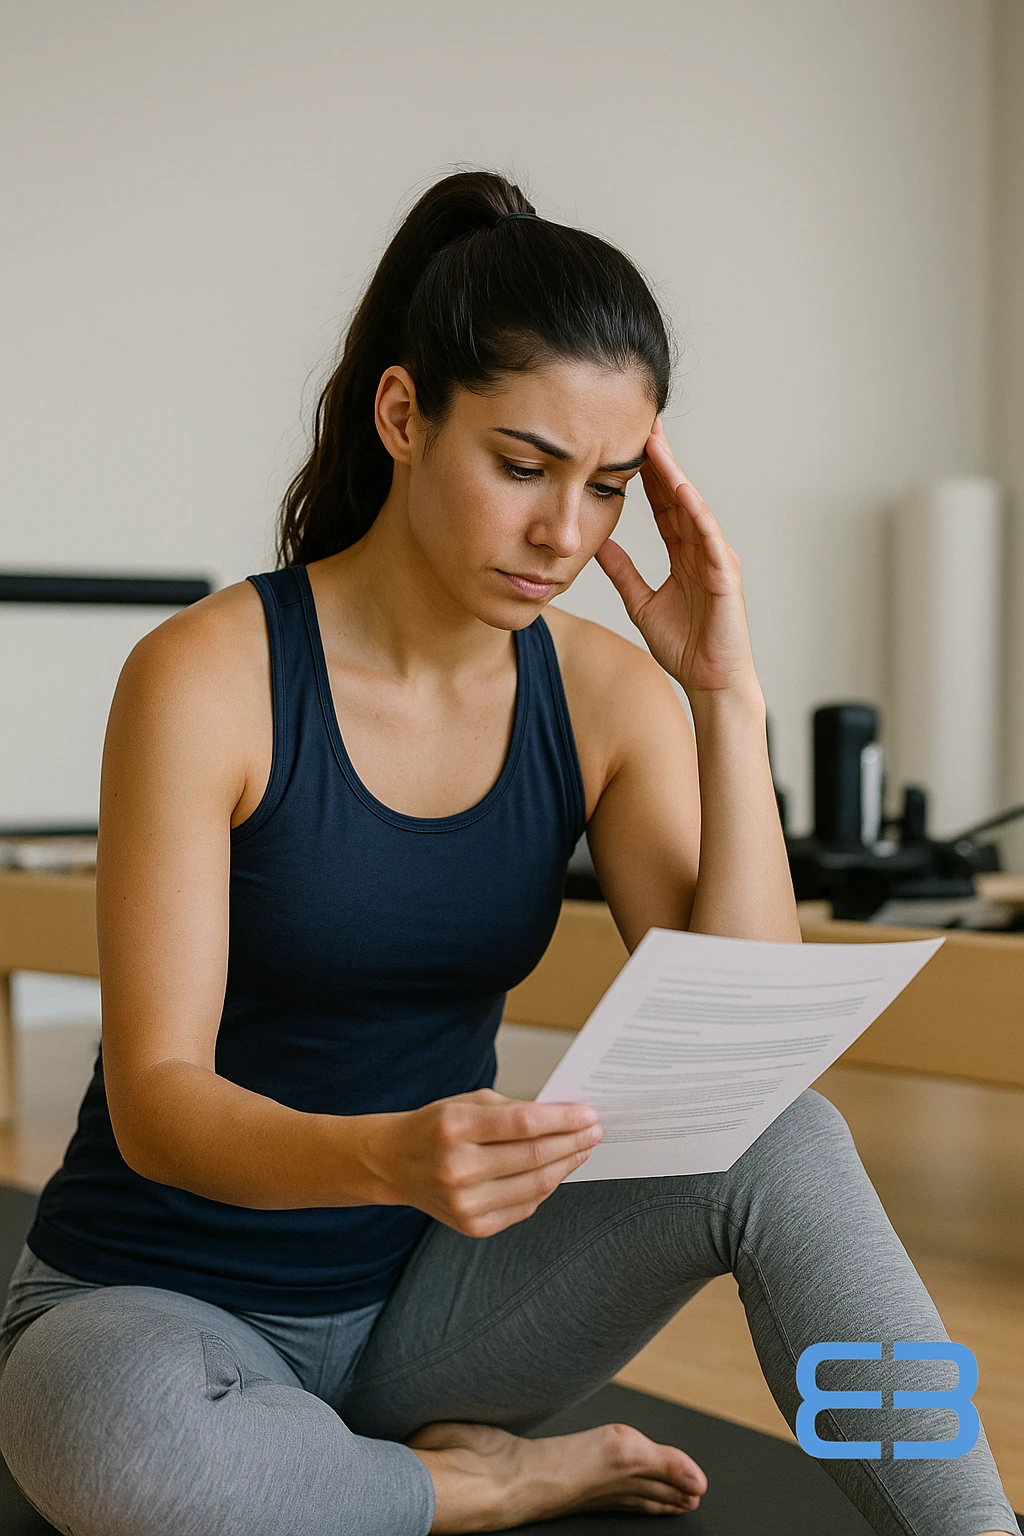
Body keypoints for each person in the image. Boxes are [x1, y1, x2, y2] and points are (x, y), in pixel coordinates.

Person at [0, 170, 1015, 1536]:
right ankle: (470, 1484)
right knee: (125, 1457)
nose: (565, 534)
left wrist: (727, 696)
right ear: (406, 414)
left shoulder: (605, 695)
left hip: (434, 1320)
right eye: (525, 467)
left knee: (787, 1137)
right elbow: (157, 1102)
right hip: (158, 1312)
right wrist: (388, 1156)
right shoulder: (207, 679)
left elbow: (744, 1059)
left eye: (605, 488)